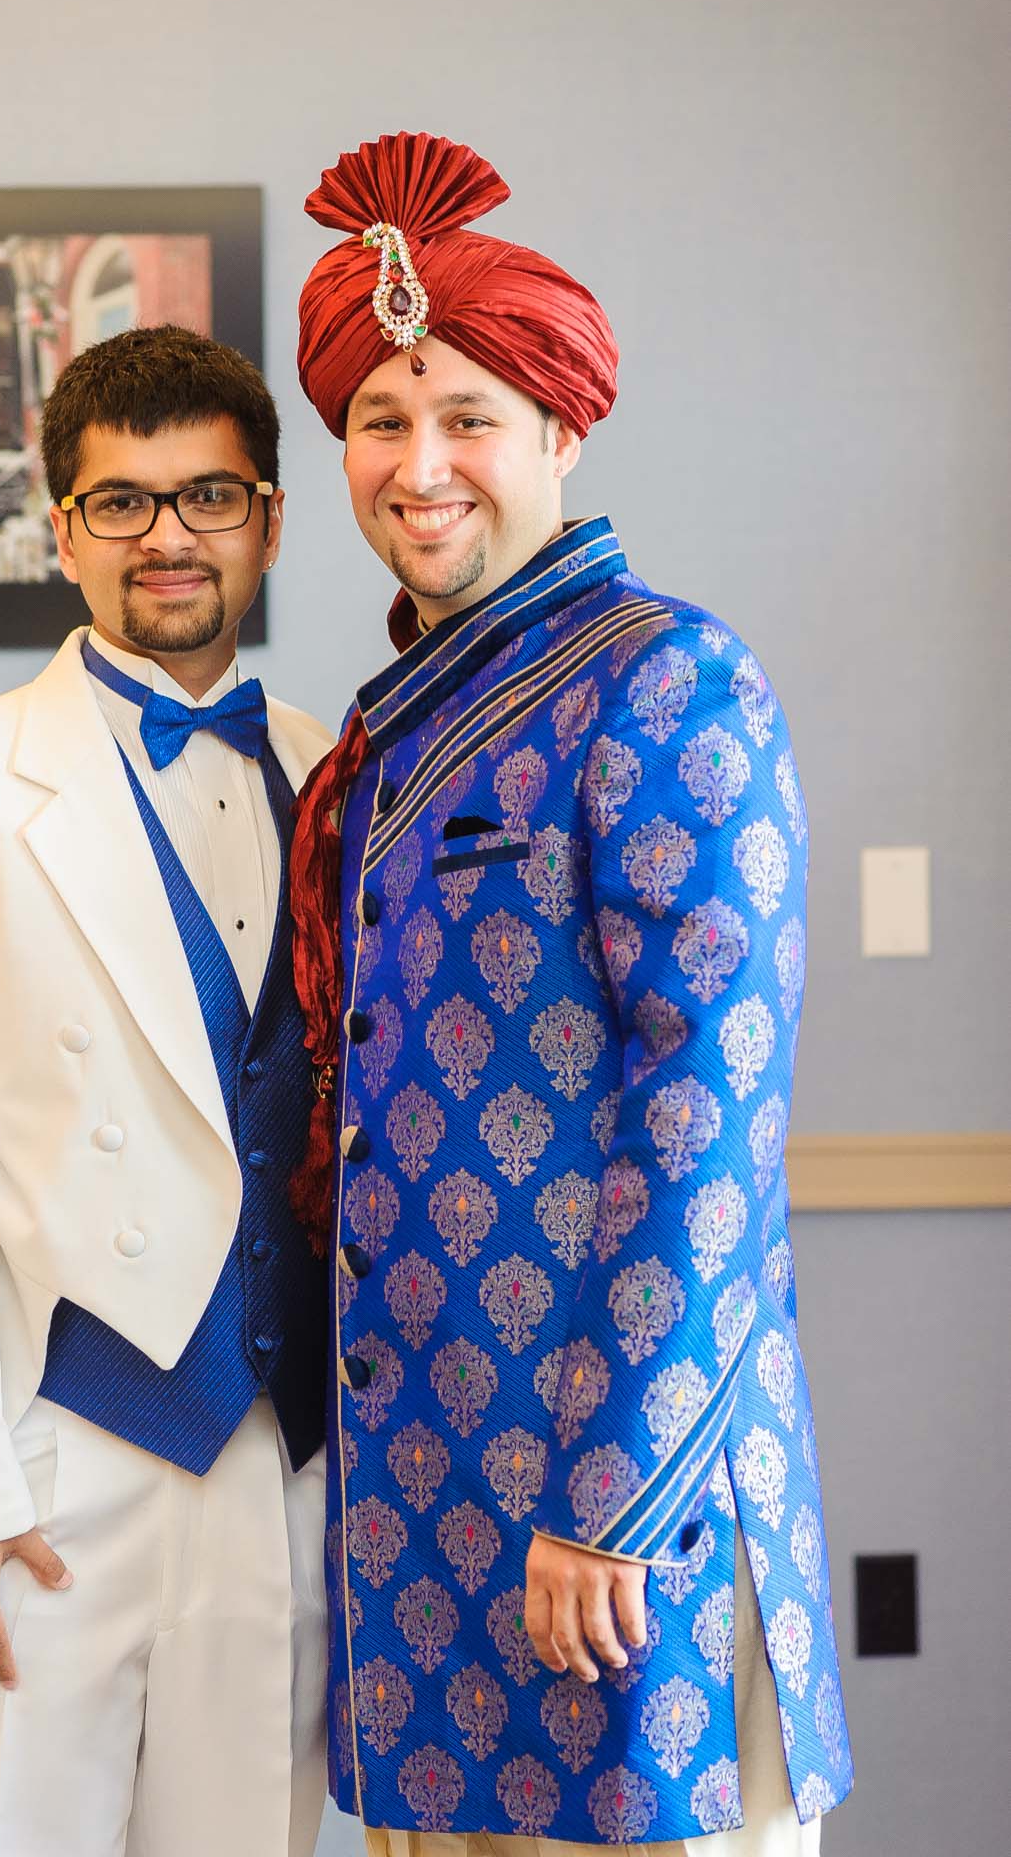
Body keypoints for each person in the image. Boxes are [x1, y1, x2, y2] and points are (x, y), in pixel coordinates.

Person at [288, 133, 854, 1854]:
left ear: (561, 431)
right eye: (383, 421)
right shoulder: (392, 730)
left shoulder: (667, 682)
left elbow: (711, 1114)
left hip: (618, 1534)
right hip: (422, 1516)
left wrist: (611, 1502)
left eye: (468, 414)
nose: (423, 462)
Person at [0, 324, 332, 1857]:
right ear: (63, 533)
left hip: (277, 1468)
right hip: (36, 1475)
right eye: (124, 502)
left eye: (212, 495)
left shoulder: (342, 771)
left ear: (271, 519)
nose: (170, 536)